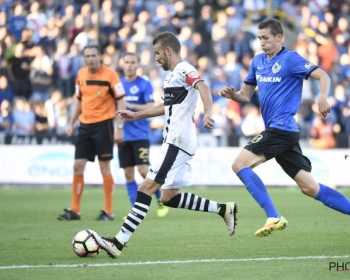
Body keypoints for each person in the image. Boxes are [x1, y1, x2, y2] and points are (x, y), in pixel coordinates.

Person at [218, 19, 350, 245]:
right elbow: (245, 95)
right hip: (280, 132)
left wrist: (322, 96)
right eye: (259, 38)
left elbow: (323, 76)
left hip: (281, 129)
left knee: (239, 164)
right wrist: (232, 95)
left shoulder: (291, 60)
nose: (262, 42)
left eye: (266, 38)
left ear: (279, 38)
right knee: (310, 188)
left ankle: (273, 216)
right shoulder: (257, 62)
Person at [92, 32, 238, 258]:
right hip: (178, 140)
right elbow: (165, 106)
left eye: (158, 53)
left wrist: (208, 112)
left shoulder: (183, 69)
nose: (156, 58)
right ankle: (223, 209)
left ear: (168, 51)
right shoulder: (172, 77)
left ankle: (118, 243)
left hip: (177, 140)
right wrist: (136, 115)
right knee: (169, 197)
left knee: (145, 188)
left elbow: (203, 86)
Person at [57, 44, 126, 221]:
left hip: (104, 125)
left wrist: (119, 127)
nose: (90, 59)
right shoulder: (81, 74)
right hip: (85, 126)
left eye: (93, 55)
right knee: (77, 166)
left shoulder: (111, 75)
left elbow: (121, 102)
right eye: (87, 56)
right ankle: (74, 210)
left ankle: (108, 211)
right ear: (83, 57)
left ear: (100, 56)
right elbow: (79, 101)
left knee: (104, 167)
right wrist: (72, 123)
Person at [118, 52, 169, 218]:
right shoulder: (118, 84)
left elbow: (150, 105)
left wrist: (130, 105)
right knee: (127, 173)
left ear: (137, 64)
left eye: (133, 62)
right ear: (122, 64)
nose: (130, 65)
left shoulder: (144, 84)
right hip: (124, 135)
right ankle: (134, 211)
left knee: (142, 170)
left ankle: (160, 198)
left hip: (140, 134)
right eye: (127, 62)